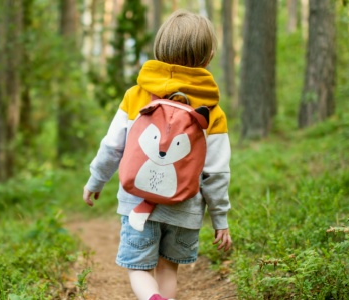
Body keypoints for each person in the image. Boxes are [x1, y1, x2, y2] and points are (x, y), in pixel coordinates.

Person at [82, 10, 232, 300]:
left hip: (138, 204)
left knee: (138, 269)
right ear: (209, 56)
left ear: (160, 49)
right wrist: (220, 219)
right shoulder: (213, 110)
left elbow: (112, 146)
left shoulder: (136, 95)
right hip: (184, 209)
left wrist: (95, 180)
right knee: (167, 269)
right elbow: (216, 172)